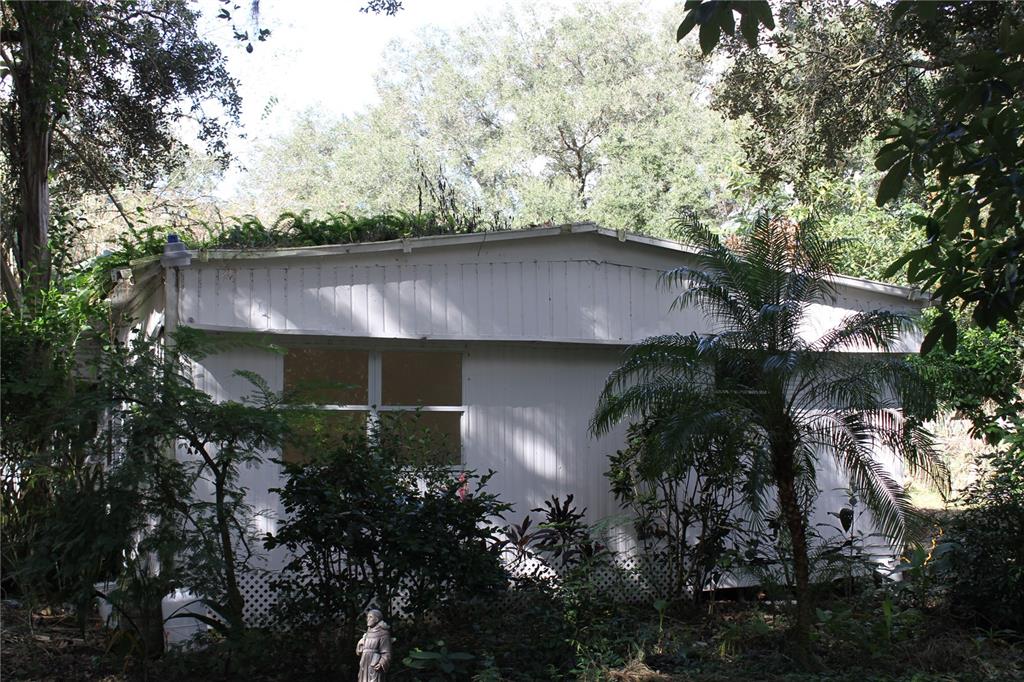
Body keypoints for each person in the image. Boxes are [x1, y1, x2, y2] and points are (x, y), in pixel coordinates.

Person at [356, 609, 391, 682]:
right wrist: (360, 644)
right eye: (367, 617)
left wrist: (381, 663)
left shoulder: (383, 633)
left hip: (374, 663)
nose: (367, 619)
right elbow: (360, 651)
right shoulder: (367, 633)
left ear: (376, 619)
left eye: (370, 617)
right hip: (364, 663)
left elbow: (386, 652)